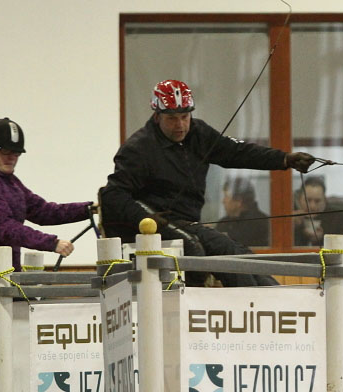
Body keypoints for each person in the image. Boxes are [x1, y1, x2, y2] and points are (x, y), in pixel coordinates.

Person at [99, 79, 314, 287]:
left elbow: (238, 152)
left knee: (239, 253)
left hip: (189, 223)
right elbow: (112, 196)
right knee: (218, 250)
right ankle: (256, 303)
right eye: (172, 119)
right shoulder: (138, 149)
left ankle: (281, 300)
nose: (181, 125)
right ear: (157, 116)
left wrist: (285, 159)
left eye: (185, 116)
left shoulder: (199, 133)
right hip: (160, 225)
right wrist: (146, 218)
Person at [0, 117, 94, 272]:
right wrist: (51, 243)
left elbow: (43, 211)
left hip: (3, 274)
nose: (11, 157)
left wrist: (89, 209)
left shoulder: (9, 182)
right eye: (4, 150)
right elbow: (5, 227)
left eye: (16, 152)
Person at [292, 176, 343, 246]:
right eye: (307, 200)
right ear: (299, 199)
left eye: (317, 201)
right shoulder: (293, 217)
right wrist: (293, 227)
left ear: (324, 200)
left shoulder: (337, 219)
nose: (312, 206)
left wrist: (322, 239)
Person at [216, 178, 269, 247]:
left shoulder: (262, 225)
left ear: (238, 201)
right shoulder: (223, 224)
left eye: (226, 196)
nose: (223, 201)